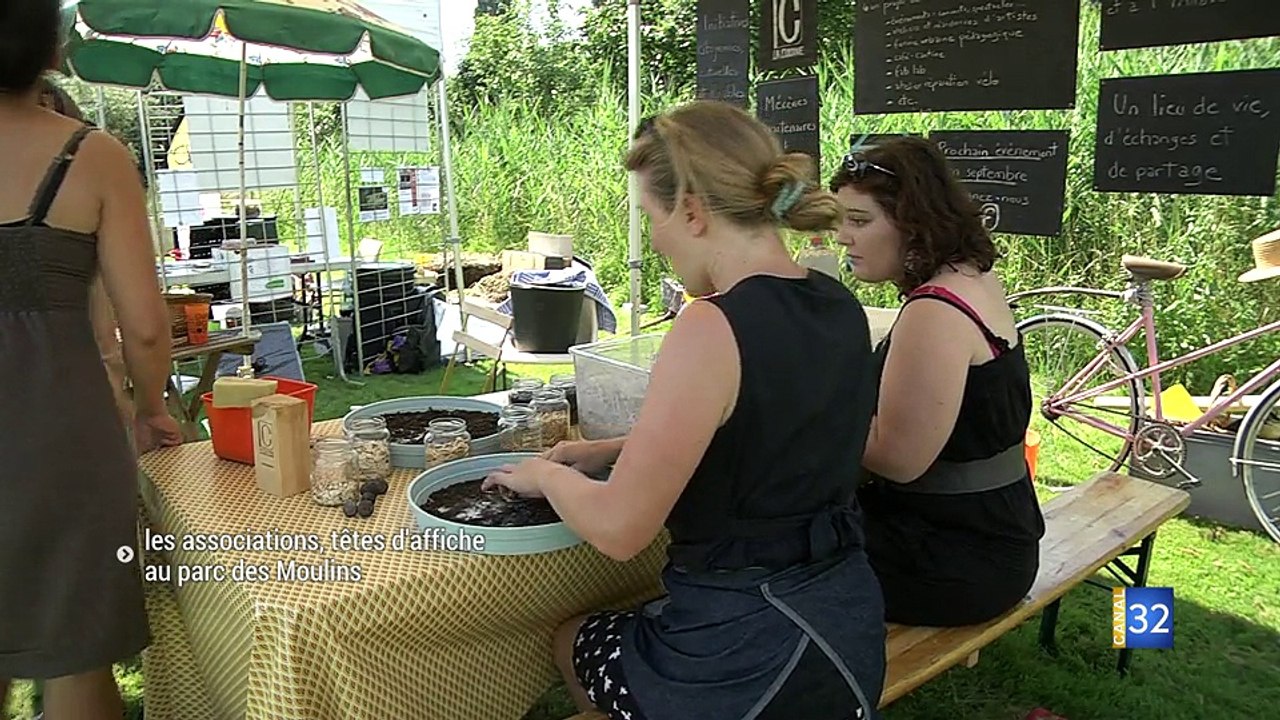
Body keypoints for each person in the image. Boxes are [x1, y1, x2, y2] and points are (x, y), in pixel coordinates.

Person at [483, 101, 886, 720]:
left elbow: (621, 530)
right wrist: (612, 450)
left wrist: (547, 476)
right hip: (844, 630)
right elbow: (771, 435)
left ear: (693, 213)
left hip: (749, 655)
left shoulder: (711, 326)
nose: (654, 238)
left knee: (572, 638)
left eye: (651, 217)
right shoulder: (838, 304)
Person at [0, 1, 181, 717]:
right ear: (52, 53)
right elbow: (146, 327)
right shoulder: (92, 155)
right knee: (74, 657)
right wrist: (152, 407)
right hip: (61, 439)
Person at [827, 136, 1045, 627]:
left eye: (859, 221)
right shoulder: (970, 276)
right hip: (993, 534)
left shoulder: (934, 311)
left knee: (769, 540)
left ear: (913, 221)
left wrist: (814, 402)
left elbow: (898, 461)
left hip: (952, 559)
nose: (842, 236)